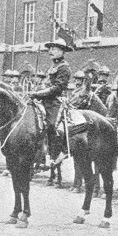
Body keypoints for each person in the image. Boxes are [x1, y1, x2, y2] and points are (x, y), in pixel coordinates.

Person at [28, 38, 72, 166]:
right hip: (44, 100)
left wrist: (39, 93)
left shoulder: (64, 68)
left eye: (54, 49)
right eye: (50, 49)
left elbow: (57, 88)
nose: (50, 51)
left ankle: (55, 154)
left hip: (55, 101)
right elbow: (46, 84)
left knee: (51, 125)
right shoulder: (52, 66)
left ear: (62, 52)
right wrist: (37, 90)